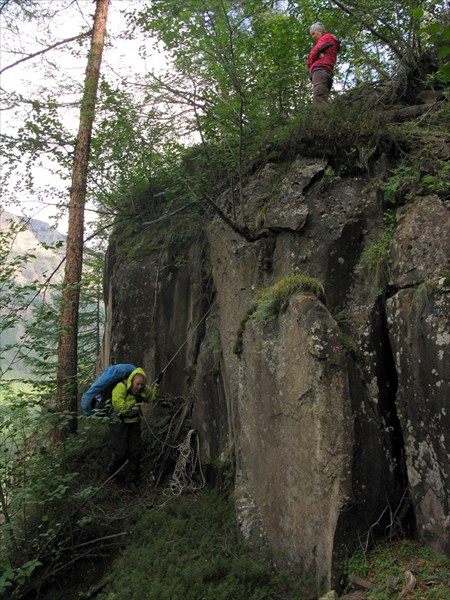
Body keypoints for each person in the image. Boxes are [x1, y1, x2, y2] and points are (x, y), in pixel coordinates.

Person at [107, 367, 158, 492]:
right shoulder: (121, 387)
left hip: (134, 423)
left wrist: (156, 387)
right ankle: (111, 471)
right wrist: (135, 401)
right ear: (132, 381)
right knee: (121, 452)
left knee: (135, 452)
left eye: (142, 384)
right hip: (119, 423)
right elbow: (120, 407)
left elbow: (151, 397)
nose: (139, 387)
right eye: (137, 384)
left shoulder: (142, 388)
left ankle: (131, 481)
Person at [306, 22, 340, 106]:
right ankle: (324, 117)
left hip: (320, 71)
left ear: (319, 31)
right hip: (325, 71)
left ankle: (320, 118)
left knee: (319, 99)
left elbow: (313, 54)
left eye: (314, 33)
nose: (313, 37)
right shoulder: (327, 41)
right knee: (322, 97)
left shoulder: (327, 38)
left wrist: (313, 58)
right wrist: (317, 55)